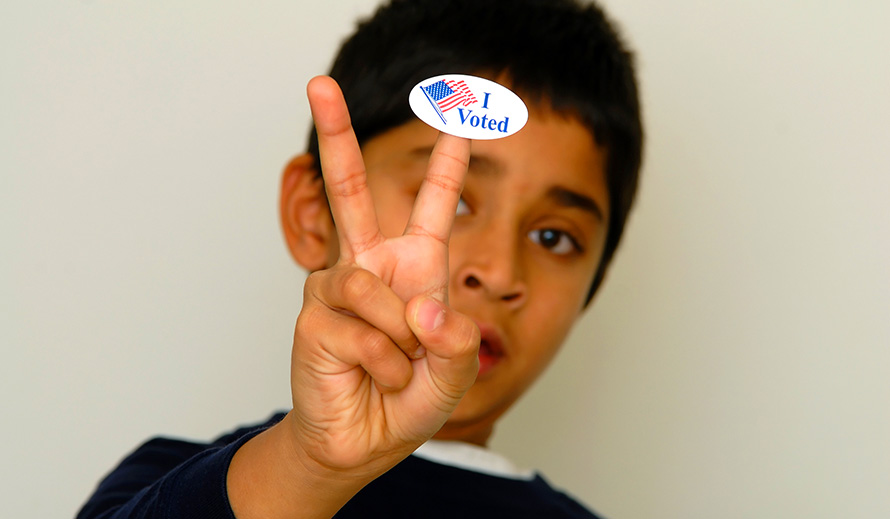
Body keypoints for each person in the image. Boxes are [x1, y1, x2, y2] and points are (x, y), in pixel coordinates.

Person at [77, 0, 642, 517]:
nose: (497, 273)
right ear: (311, 212)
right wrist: (309, 467)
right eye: (456, 198)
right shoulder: (173, 484)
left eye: (554, 238)